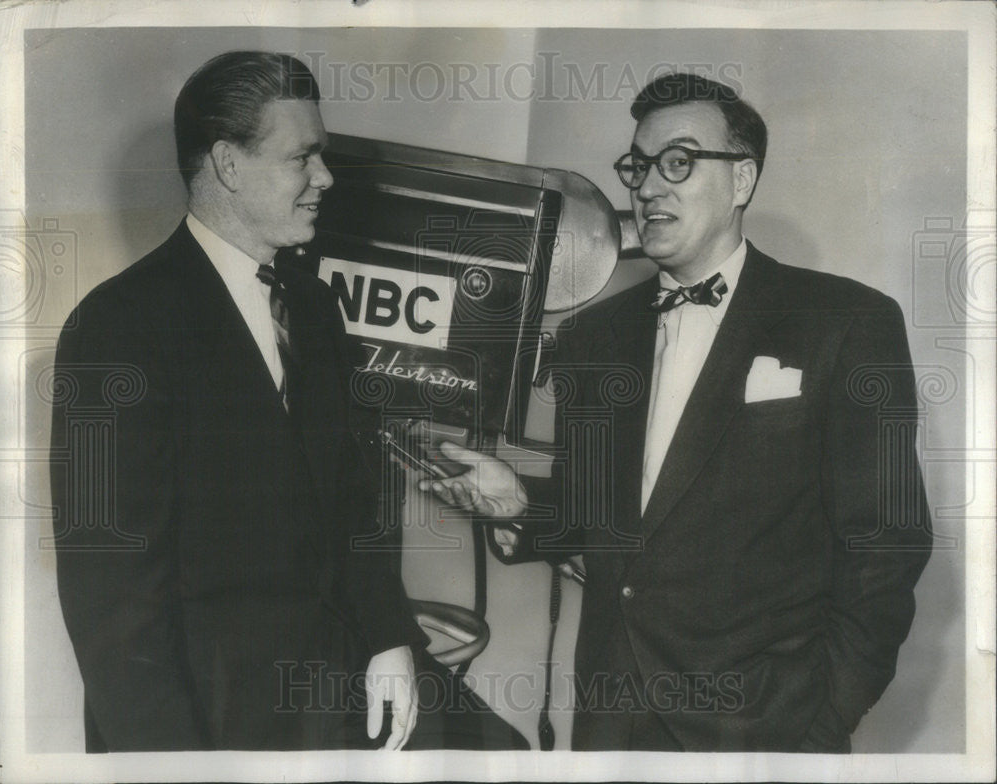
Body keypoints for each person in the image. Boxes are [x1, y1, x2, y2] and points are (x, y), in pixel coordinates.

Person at [422, 73, 933, 752]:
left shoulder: (845, 323)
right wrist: (516, 498)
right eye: (639, 165)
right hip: (614, 724)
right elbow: (611, 517)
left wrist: (822, 720)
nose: (648, 186)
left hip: (764, 733)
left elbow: (886, 544)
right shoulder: (593, 339)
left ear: (742, 179)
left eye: (679, 163)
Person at [50, 51, 424, 752]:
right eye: (302, 158)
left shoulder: (314, 307)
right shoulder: (116, 327)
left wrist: (388, 641)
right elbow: (111, 598)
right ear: (227, 164)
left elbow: (350, 496)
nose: (326, 178)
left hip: (327, 702)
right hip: (200, 726)